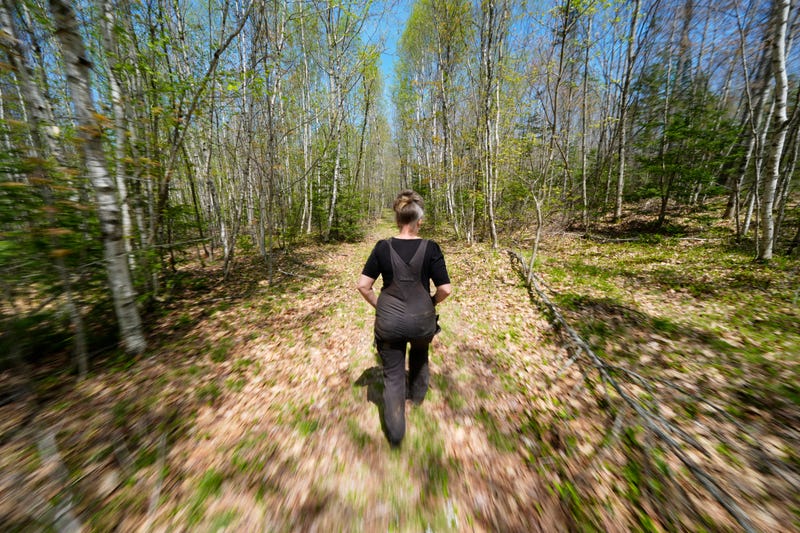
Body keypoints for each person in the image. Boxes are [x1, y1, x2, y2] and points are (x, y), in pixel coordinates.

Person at [357, 190, 452, 446]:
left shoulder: (382, 247)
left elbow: (363, 286)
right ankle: (418, 397)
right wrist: (431, 303)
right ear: (419, 220)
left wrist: (380, 306)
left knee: (393, 374)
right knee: (420, 356)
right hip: (422, 321)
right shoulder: (431, 248)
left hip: (389, 322)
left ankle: (396, 433)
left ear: (397, 219)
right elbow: (445, 289)